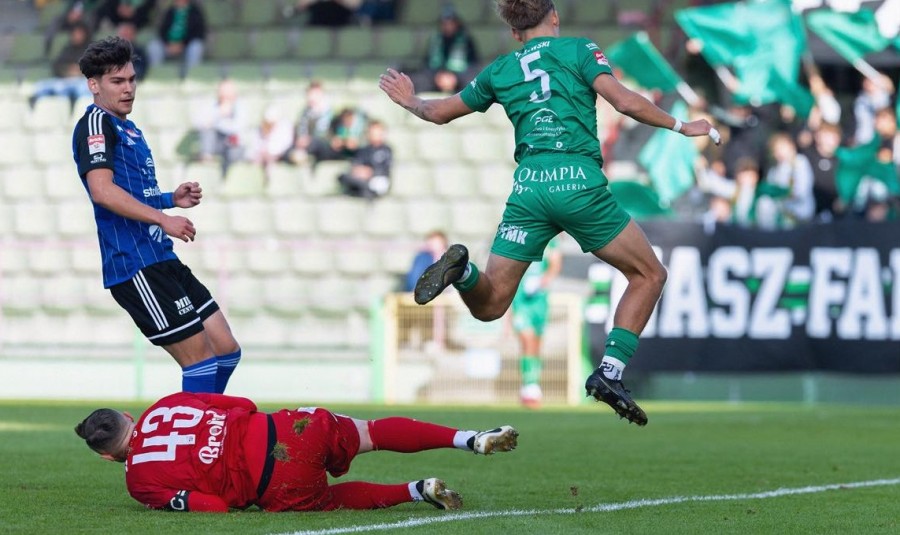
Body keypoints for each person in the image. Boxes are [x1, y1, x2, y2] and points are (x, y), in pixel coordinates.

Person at [379, 0, 717, 426]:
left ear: (514, 32)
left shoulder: (500, 70)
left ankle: (462, 272)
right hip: (577, 182)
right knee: (649, 275)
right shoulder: (579, 49)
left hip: (530, 189)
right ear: (553, 16)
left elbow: (439, 112)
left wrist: (411, 100)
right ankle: (610, 372)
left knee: (490, 305)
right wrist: (682, 126)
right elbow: (625, 102)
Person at [72, 36, 241, 394]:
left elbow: (134, 193)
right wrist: (164, 219)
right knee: (200, 361)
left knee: (226, 350)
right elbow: (102, 191)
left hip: (161, 257)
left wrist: (169, 199)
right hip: (134, 264)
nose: (128, 88)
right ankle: (196, 429)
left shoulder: (129, 128)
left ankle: (207, 418)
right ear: (94, 85)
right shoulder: (96, 125)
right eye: (117, 81)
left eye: (132, 79)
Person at [74, 391, 519, 512]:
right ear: (129, 416)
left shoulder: (139, 483)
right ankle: (468, 438)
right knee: (370, 432)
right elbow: (244, 403)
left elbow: (213, 507)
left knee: (326, 500)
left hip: (276, 483)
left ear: (107, 457)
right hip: (289, 430)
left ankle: (416, 490)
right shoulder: (165, 404)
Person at [512, 237, 562, 409]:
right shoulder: (521, 237)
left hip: (539, 301)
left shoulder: (551, 242)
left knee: (536, 344)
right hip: (520, 300)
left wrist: (542, 281)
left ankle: (532, 384)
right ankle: (529, 387)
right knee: (527, 340)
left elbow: (555, 265)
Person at [755, 133, 815, 230]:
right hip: (780, 214)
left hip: (799, 214)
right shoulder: (774, 169)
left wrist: (781, 192)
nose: (779, 153)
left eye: (782, 148)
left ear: (791, 147)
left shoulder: (799, 162)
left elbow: (801, 192)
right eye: (776, 150)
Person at [414, 5, 480, 93]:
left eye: (450, 23)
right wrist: (439, 77)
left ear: (456, 24)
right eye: (444, 23)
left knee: (473, 81)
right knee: (420, 79)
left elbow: (473, 63)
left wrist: (454, 78)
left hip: (460, 76)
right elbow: (426, 63)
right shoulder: (434, 39)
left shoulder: (466, 40)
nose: (447, 26)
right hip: (436, 75)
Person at [30, 21, 93, 108]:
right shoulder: (68, 49)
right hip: (65, 79)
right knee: (40, 86)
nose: (76, 35)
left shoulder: (92, 49)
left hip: (83, 81)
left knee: (81, 90)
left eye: (79, 33)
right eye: (74, 33)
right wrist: (68, 70)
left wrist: (80, 71)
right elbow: (56, 66)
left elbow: (97, 68)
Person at [195, 78, 246, 175]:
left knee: (234, 149)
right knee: (207, 132)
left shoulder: (240, 107)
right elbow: (199, 123)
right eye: (222, 92)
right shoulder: (212, 105)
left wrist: (217, 123)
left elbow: (236, 128)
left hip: (232, 144)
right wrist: (219, 114)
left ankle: (229, 176)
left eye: (228, 92)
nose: (225, 96)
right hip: (215, 143)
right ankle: (206, 164)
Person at [146, 0, 206, 78]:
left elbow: (199, 33)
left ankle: (191, 76)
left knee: (197, 47)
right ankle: (157, 75)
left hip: (186, 46)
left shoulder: (195, 12)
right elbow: (162, 31)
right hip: (169, 46)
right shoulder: (170, 11)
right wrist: (168, 44)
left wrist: (183, 44)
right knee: (154, 46)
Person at [337, 120, 393, 198]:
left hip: (377, 179)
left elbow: (385, 168)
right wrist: (358, 171)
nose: (374, 134)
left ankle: (365, 192)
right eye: (372, 132)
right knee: (343, 177)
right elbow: (356, 163)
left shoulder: (386, 150)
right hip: (362, 179)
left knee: (377, 184)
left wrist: (371, 172)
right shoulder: (364, 150)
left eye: (377, 132)